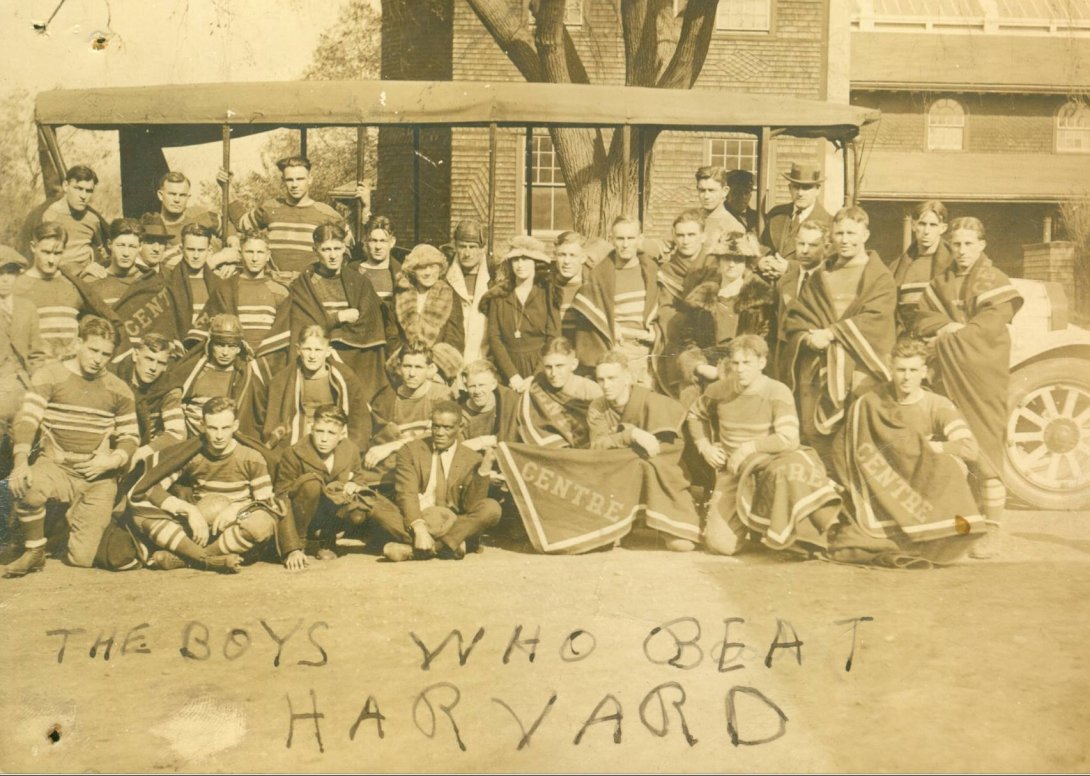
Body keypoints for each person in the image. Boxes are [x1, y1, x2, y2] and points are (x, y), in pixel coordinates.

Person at [914, 217, 1023, 560]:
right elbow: (920, 319)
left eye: (968, 244)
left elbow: (988, 330)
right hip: (949, 378)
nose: (961, 251)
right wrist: (948, 326)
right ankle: (962, 525)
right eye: (956, 244)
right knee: (957, 449)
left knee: (985, 451)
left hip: (981, 378)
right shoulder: (942, 281)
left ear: (982, 245)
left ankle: (993, 528)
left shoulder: (994, 280)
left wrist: (947, 337)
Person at [832, 337, 986, 566]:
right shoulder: (872, 403)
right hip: (888, 479)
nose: (906, 377)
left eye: (913, 370)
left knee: (951, 466)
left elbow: (969, 449)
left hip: (924, 479)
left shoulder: (937, 404)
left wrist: (926, 448)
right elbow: (845, 444)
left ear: (924, 372)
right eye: (901, 370)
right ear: (890, 368)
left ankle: (935, 535)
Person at [4, 316, 139, 577]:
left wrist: (110, 461)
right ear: (78, 343)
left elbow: (131, 436)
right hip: (57, 466)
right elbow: (27, 420)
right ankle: (34, 549)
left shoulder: (118, 389)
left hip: (97, 475)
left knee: (82, 559)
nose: (98, 359)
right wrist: (21, 461)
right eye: (93, 350)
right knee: (28, 486)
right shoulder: (51, 375)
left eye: (105, 354)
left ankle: (66, 524)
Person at [686, 335, 841, 556]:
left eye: (747, 363)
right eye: (736, 363)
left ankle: (789, 529)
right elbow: (695, 414)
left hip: (769, 464)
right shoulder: (719, 390)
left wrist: (749, 447)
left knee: (789, 468)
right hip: (734, 470)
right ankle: (746, 523)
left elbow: (789, 439)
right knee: (720, 546)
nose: (740, 370)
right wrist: (705, 446)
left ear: (762, 363)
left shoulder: (777, 391)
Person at [783, 206, 896, 456]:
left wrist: (833, 333)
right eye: (839, 233)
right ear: (831, 237)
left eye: (852, 233)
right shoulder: (821, 275)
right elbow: (799, 315)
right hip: (818, 367)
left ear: (865, 235)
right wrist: (807, 337)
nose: (845, 240)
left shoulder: (879, 277)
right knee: (816, 434)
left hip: (860, 369)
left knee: (858, 435)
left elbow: (876, 319)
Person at [126, 396, 280, 573]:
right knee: (141, 516)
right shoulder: (194, 455)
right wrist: (189, 510)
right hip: (199, 527)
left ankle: (190, 558)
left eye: (225, 428)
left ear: (236, 426)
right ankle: (209, 560)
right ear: (202, 425)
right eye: (213, 428)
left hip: (233, 529)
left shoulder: (252, 457)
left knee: (262, 523)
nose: (219, 436)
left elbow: (265, 502)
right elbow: (151, 487)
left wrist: (238, 510)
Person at [258, 223, 391, 400]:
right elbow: (303, 324)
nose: (333, 255)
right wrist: (338, 318)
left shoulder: (359, 282)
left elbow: (370, 322)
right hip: (314, 356)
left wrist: (332, 332)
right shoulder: (304, 284)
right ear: (315, 250)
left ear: (345, 248)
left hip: (354, 357)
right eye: (326, 249)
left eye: (337, 248)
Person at [586, 351, 701, 551]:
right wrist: (631, 436)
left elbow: (669, 448)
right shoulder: (598, 406)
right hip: (619, 477)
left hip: (656, 472)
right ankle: (630, 523)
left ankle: (657, 519)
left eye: (612, 378)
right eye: (601, 379)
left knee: (682, 545)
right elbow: (597, 446)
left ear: (628, 378)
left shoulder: (651, 401)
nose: (606, 385)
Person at [374, 400, 501, 562]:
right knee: (373, 503)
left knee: (492, 508)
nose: (440, 433)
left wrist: (484, 469)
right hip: (414, 521)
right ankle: (451, 547)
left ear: (460, 428)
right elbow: (407, 493)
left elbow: (471, 506)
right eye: (436, 426)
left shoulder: (472, 458)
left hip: (451, 524)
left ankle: (421, 550)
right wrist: (419, 528)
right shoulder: (410, 450)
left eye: (447, 428)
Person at [275, 404, 398, 569]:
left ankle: (327, 541)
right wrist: (291, 547)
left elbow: (360, 479)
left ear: (342, 434)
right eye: (319, 431)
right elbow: (281, 498)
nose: (324, 439)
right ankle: (303, 544)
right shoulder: (293, 453)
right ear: (311, 428)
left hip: (331, 517)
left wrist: (354, 485)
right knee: (311, 483)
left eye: (331, 433)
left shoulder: (350, 450)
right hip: (302, 519)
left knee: (358, 510)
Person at [670, 232, 774, 403]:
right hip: (706, 368)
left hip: (743, 369)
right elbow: (687, 340)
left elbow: (763, 339)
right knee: (691, 402)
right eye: (726, 258)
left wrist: (730, 369)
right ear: (718, 261)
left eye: (738, 259)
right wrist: (700, 367)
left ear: (747, 262)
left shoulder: (760, 298)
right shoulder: (702, 297)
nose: (731, 264)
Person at [252, 325, 371, 459]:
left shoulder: (344, 377)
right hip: (299, 436)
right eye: (307, 349)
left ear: (328, 351)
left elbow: (359, 418)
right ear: (298, 350)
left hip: (331, 437)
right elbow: (274, 421)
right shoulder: (283, 379)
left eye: (318, 350)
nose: (312, 356)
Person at [571, 216, 660, 388]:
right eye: (620, 238)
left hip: (647, 351)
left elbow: (663, 310)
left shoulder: (652, 271)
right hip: (617, 349)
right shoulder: (600, 275)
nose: (625, 244)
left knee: (643, 406)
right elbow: (591, 316)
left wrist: (655, 330)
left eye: (630, 238)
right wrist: (611, 327)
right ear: (612, 239)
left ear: (640, 239)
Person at [234, 155, 351, 274]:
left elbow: (348, 246)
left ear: (310, 179)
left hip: (310, 285)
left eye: (300, 179)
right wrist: (227, 191)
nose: (295, 185)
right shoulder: (270, 207)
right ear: (283, 180)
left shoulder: (326, 213)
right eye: (290, 180)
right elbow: (241, 224)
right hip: (275, 283)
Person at [363, 342, 453, 485]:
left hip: (429, 460)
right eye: (407, 366)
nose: (412, 373)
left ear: (430, 369)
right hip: (396, 463)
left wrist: (392, 446)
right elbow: (377, 437)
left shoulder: (441, 395)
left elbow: (442, 435)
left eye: (418, 367)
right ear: (399, 367)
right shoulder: (387, 396)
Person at [481, 235, 559, 391]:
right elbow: (494, 338)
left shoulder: (546, 293)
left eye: (526, 259)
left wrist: (536, 375)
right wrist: (512, 375)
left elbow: (553, 336)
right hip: (507, 366)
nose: (520, 265)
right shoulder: (499, 295)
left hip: (541, 365)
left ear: (535, 263)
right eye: (516, 260)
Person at [169, 313, 258, 437]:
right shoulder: (194, 369)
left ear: (239, 348)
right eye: (220, 345)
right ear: (210, 345)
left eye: (232, 346)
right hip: (190, 434)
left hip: (225, 437)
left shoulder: (244, 374)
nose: (225, 353)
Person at [202, 229, 290, 354]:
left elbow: (283, 333)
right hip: (235, 356)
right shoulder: (226, 288)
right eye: (249, 252)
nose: (255, 258)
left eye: (260, 252)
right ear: (240, 253)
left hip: (267, 359)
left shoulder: (280, 291)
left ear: (268, 255)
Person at [0, 247, 48, 467]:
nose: (5, 279)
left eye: (10, 273)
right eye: (0, 274)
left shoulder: (27, 308)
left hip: (25, 388)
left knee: (29, 441)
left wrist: (38, 385)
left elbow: (37, 353)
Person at [19, 165, 108, 276]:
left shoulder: (93, 219)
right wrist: (80, 270)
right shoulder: (48, 216)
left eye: (88, 191)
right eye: (78, 188)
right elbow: (41, 256)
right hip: (57, 275)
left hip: (88, 276)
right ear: (66, 186)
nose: (83, 196)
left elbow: (101, 250)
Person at [769, 219, 829, 382]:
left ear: (826, 247)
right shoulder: (785, 282)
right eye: (801, 244)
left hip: (818, 366)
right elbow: (777, 328)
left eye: (813, 245)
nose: (805, 250)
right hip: (787, 366)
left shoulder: (830, 282)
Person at [15, 223, 86, 360]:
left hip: (69, 367)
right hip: (36, 367)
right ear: (33, 247)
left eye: (57, 253)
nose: (51, 260)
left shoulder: (73, 284)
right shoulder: (18, 286)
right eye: (46, 252)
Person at [517, 337, 602, 449]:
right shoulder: (538, 385)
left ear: (574, 364)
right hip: (554, 448)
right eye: (548, 367)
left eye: (559, 366)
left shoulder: (591, 390)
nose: (553, 373)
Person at [112, 332, 185, 464]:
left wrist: (141, 453)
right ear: (135, 355)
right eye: (149, 359)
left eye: (160, 363)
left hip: (146, 451)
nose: (153, 368)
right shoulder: (113, 378)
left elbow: (177, 434)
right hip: (113, 446)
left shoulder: (170, 388)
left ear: (166, 366)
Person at [888, 200, 955, 334]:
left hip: (942, 336)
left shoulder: (953, 264)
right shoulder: (897, 267)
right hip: (908, 339)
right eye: (922, 224)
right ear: (913, 225)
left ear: (943, 228)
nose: (926, 231)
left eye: (933, 225)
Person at [391, 243, 464, 356]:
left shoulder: (450, 295)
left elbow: (454, 340)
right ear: (412, 271)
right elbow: (392, 335)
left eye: (432, 267)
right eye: (422, 267)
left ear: (440, 269)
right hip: (405, 365)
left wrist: (434, 365)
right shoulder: (401, 294)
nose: (428, 273)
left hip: (436, 367)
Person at [759, 162, 833, 265]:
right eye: (796, 187)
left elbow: (826, 264)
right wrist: (762, 261)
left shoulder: (829, 223)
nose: (800, 193)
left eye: (806, 187)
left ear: (818, 190)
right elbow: (762, 246)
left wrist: (789, 268)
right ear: (790, 188)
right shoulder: (776, 214)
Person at [154, 171, 229, 267]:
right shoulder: (153, 226)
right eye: (172, 194)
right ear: (160, 195)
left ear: (188, 197)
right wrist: (219, 258)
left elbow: (227, 225)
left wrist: (232, 249)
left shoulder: (199, 214)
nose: (177, 200)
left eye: (182, 195)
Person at [445, 219, 492, 364]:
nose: (467, 253)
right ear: (455, 247)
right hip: (452, 361)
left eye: (473, 247)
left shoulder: (494, 279)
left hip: (484, 361)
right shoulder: (444, 278)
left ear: (482, 249)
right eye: (462, 246)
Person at [164, 223, 217, 349]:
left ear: (209, 250)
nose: (196, 256)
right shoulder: (168, 282)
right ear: (182, 249)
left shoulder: (219, 284)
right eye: (191, 249)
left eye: (201, 250)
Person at [458, 359, 520, 450]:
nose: (477, 391)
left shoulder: (508, 401)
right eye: (472, 386)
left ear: (493, 384)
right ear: (466, 386)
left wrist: (486, 441)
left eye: (482, 385)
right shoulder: (461, 414)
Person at [694, 166, 747, 250]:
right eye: (702, 190)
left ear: (724, 191)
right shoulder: (690, 218)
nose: (706, 196)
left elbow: (734, 262)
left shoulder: (733, 227)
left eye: (711, 190)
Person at [553, 231, 590, 345]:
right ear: (555, 256)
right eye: (562, 255)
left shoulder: (592, 290)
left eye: (572, 255)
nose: (567, 261)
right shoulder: (544, 288)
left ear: (583, 258)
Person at [356, 215, 404, 304]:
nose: (378, 247)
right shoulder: (353, 270)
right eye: (373, 241)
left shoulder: (402, 273)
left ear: (392, 242)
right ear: (365, 241)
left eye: (383, 241)